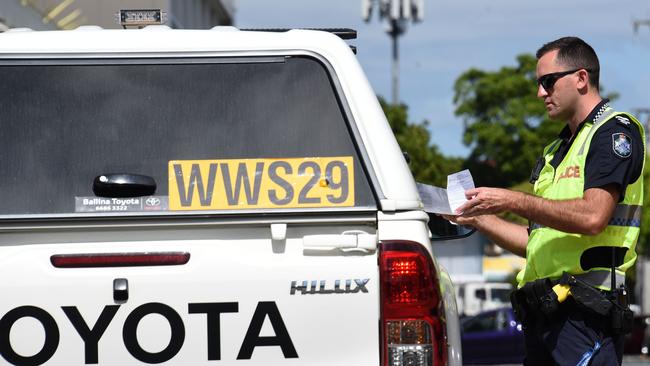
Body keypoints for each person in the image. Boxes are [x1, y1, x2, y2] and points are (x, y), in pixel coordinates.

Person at [446, 37, 645, 365]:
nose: (541, 93)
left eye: (548, 82)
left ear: (581, 78)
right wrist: (477, 217)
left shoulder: (612, 134)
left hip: (586, 317)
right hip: (547, 316)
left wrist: (512, 199)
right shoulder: (556, 151)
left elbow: (593, 216)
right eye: (539, 84)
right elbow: (536, 243)